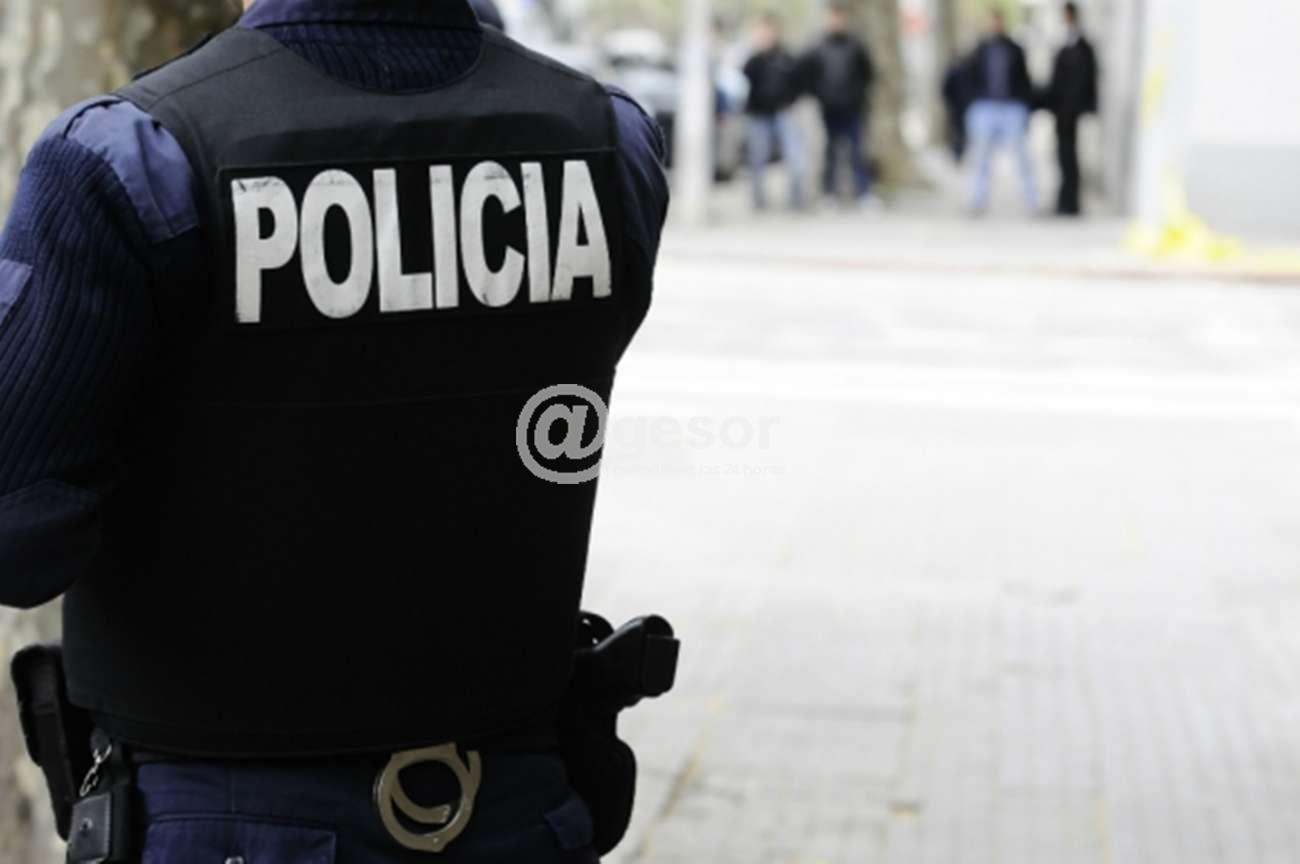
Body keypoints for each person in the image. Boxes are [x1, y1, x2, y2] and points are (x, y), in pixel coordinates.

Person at [0, 0, 670, 861]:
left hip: (224, 816)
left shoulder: (131, 154)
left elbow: (18, 540)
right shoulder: (610, 140)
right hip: (521, 806)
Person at [802, 2, 876, 207]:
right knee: (830, 152)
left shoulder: (856, 45)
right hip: (829, 109)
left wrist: (858, 96)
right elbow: (808, 75)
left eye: (839, 18)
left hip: (853, 109)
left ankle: (863, 193)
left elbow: (868, 74)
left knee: (857, 152)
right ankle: (829, 194)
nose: (836, 22)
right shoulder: (818, 47)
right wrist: (820, 94)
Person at [965, 7, 1038, 215]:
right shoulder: (980, 49)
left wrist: (1025, 107)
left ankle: (1032, 201)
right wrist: (973, 102)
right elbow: (969, 77)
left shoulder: (1014, 49)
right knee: (981, 158)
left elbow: (1025, 80)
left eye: (997, 21)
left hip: (1012, 108)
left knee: (1022, 157)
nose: (995, 25)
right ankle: (978, 200)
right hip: (986, 107)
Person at [742, 12, 805, 211]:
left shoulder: (787, 58)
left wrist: (790, 102)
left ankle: (795, 200)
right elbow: (744, 84)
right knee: (757, 158)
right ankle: (758, 201)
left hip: (783, 112)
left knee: (795, 157)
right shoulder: (753, 61)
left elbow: (798, 83)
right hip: (759, 115)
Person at [1046, 2, 1099, 216]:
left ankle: (1071, 202)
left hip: (1072, 110)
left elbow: (1090, 78)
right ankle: (1064, 201)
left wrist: (1088, 106)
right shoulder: (1063, 43)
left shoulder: (1083, 47)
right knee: (1062, 155)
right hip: (1061, 111)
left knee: (1070, 156)